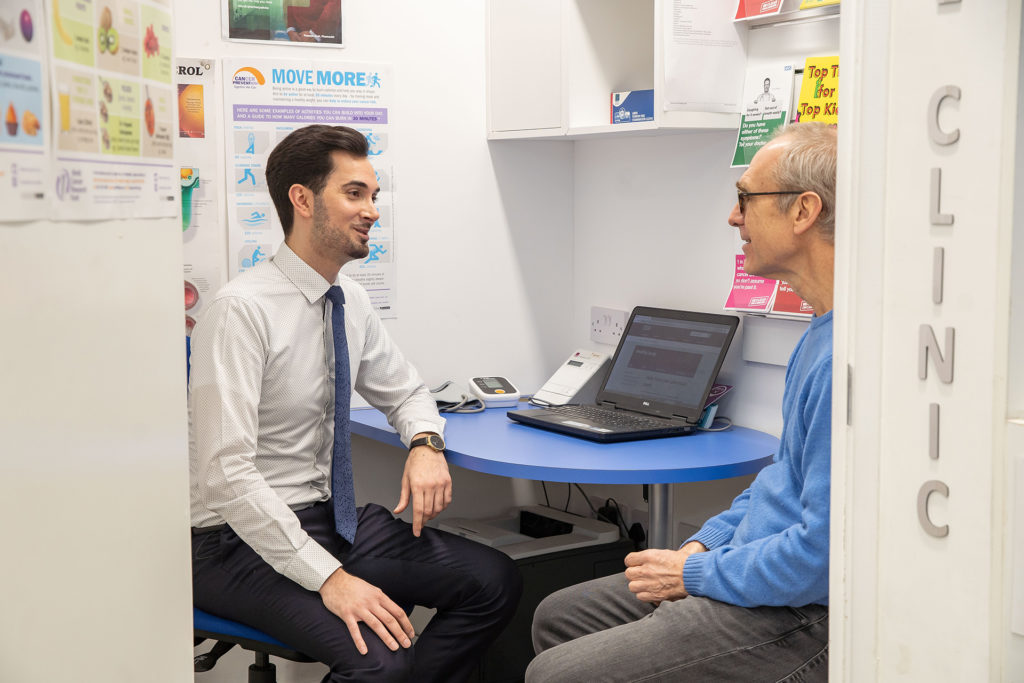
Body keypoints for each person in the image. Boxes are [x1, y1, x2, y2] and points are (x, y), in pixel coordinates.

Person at [189, 124, 521, 682]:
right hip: (231, 541)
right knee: (381, 664)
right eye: (354, 194)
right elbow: (225, 474)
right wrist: (329, 579)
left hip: (327, 517)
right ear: (302, 199)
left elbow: (407, 391)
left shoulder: (349, 300)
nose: (371, 211)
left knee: (495, 582)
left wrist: (424, 442)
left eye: (373, 195)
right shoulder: (240, 310)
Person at [526, 122, 836, 682]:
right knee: (559, 616)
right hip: (753, 578)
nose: (733, 217)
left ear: (803, 211)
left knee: (557, 674)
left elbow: (819, 557)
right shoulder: (817, 333)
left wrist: (696, 576)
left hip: (805, 614)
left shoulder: (846, 361)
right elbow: (779, 484)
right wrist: (700, 548)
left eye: (746, 198)